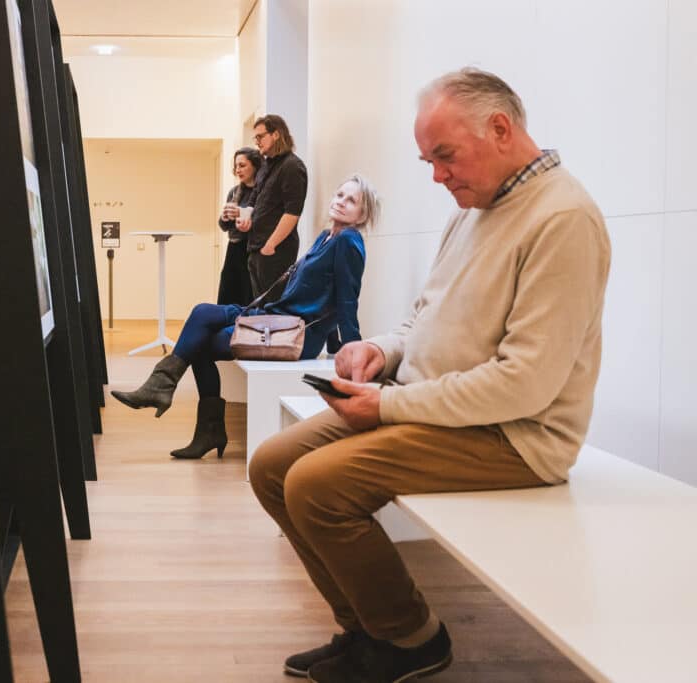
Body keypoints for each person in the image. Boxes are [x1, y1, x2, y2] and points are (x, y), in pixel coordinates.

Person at [248, 67, 611, 683]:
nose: (438, 176)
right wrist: (380, 353)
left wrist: (385, 406)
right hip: (431, 406)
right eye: (429, 161)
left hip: (514, 436)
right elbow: (423, 317)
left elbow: (526, 385)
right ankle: (366, 628)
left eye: (446, 156)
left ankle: (410, 638)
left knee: (314, 486)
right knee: (271, 466)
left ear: (501, 129)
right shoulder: (472, 210)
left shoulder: (563, 218)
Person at [111, 174, 381, 460]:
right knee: (202, 313)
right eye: (340, 195)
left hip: (292, 333)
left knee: (199, 343)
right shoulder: (327, 236)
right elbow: (325, 294)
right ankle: (170, 395)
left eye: (352, 201)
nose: (341, 202)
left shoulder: (348, 241)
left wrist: (351, 350)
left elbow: (346, 299)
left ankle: (182, 407)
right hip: (276, 317)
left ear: (363, 215)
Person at [237, 114, 308, 302]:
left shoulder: (292, 166)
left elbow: (292, 213)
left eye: (260, 136)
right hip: (256, 248)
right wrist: (247, 216)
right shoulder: (266, 166)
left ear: (276, 134)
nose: (257, 142)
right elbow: (254, 197)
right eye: (255, 138)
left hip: (275, 251)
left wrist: (271, 245)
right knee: (260, 307)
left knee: (273, 307)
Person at [216, 147, 262, 306]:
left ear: (255, 166)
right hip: (234, 247)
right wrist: (225, 216)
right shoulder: (234, 192)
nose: (238, 170)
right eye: (236, 166)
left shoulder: (262, 192)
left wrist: (241, 213)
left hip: (252, 249)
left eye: (242, 165)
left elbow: (264, 220)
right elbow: (223, 226)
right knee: (227, 291)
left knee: (248, 294)